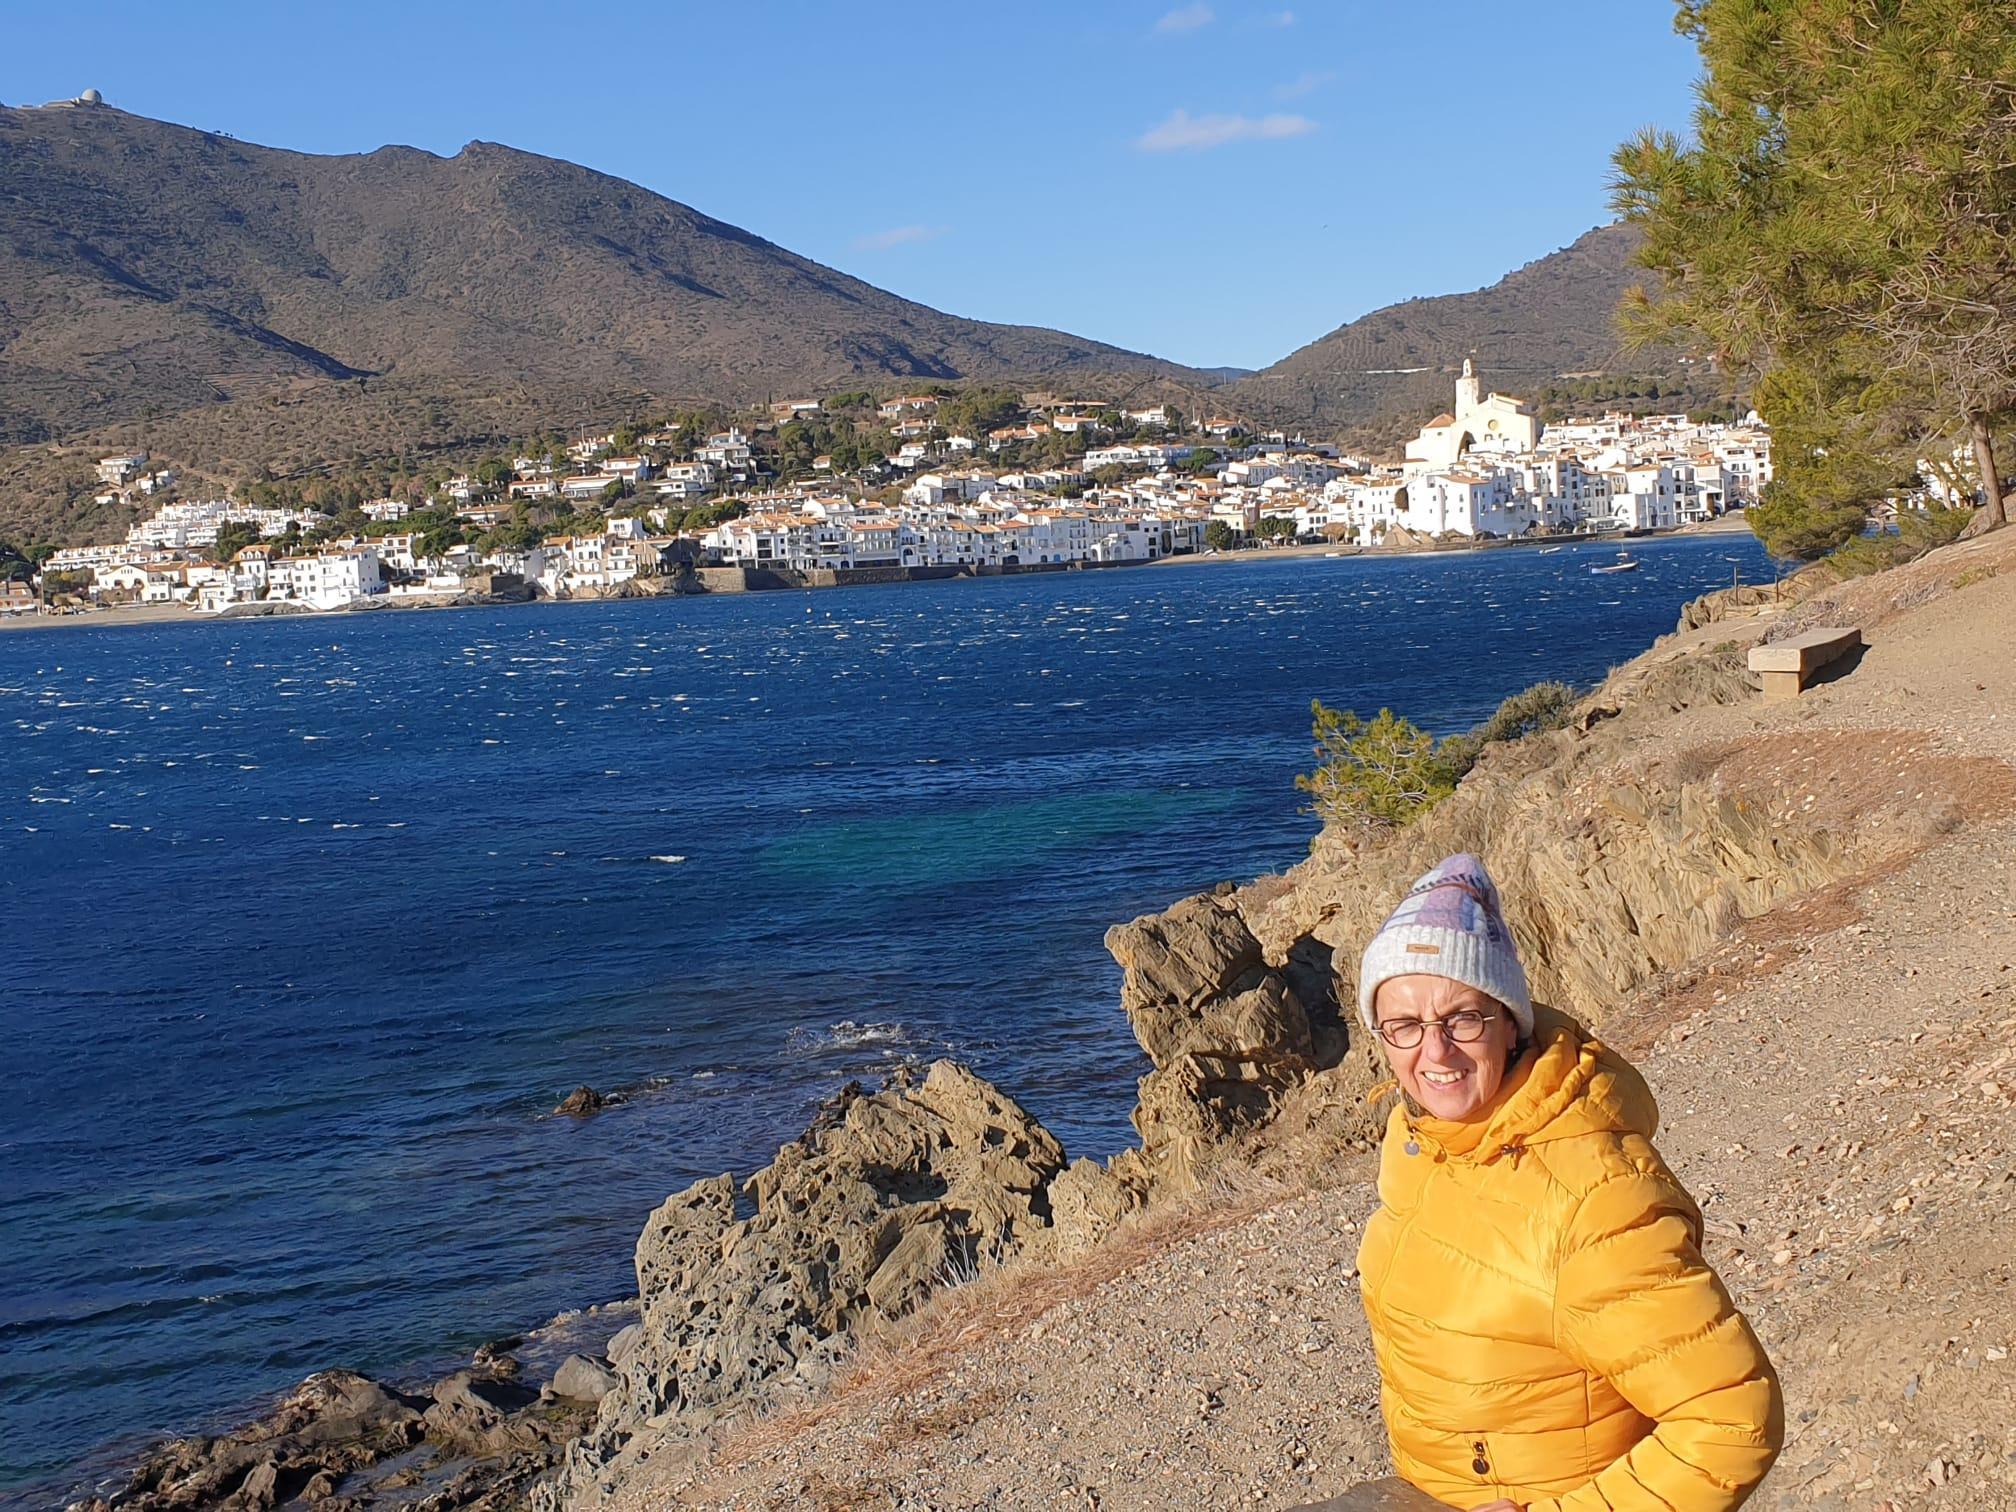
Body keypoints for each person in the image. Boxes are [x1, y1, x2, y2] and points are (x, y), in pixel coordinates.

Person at [1351, 853, 1782, 1511]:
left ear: (1510, 1023)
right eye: (1405, 1026)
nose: (1434, 1052)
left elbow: (1732, 1420)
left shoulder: (1595, 1200)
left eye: (1463, 1018)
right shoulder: (1421, 1140)